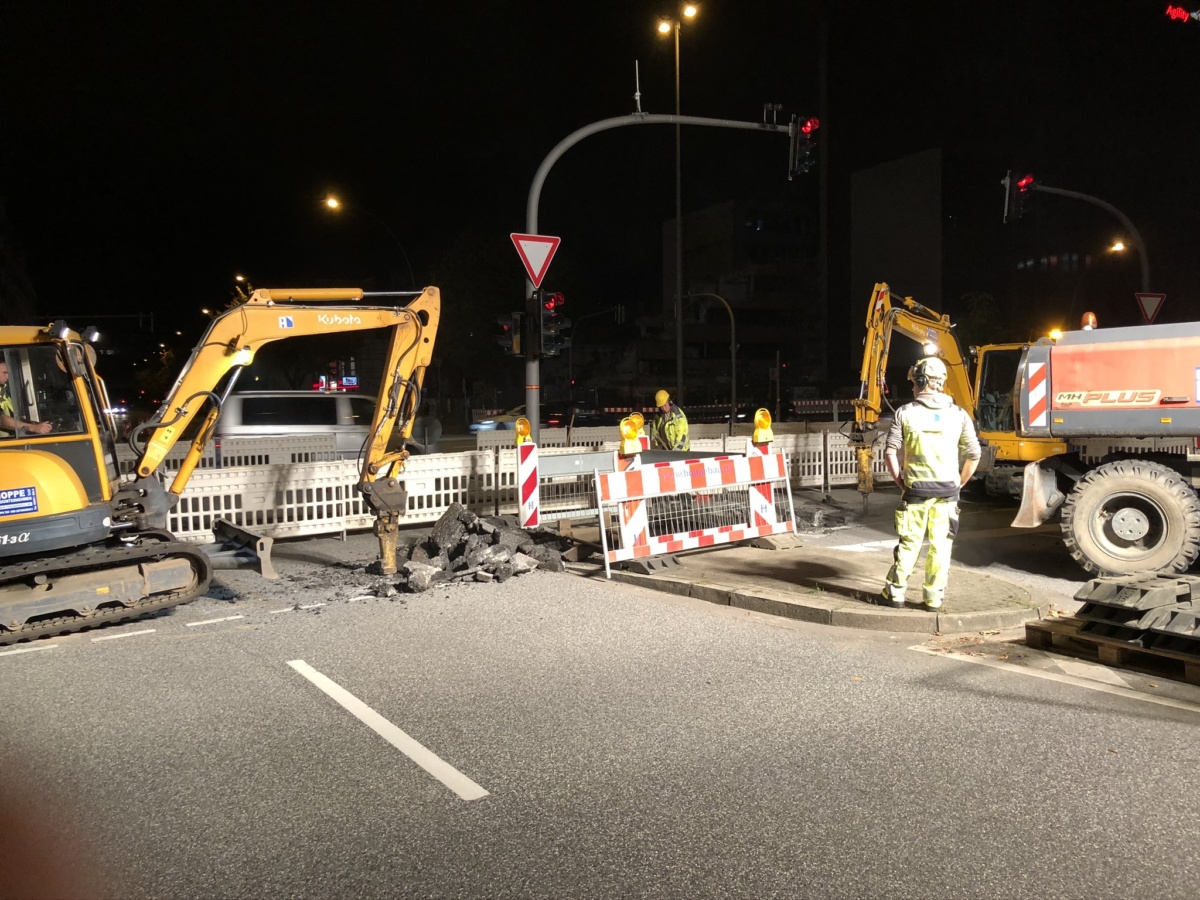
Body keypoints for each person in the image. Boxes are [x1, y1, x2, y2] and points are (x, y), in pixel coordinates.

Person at [878, 356, 980, 611]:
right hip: (947, 492)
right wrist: (959, 482)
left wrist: (900, 481)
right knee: (941, 547)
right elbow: (974, 454)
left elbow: (890, 452)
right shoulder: (959, 415)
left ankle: (896, 594)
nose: (913, 386)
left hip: (914, 491)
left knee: (909, 543)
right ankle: (933, 598)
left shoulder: (905, 413)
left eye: (915, 381)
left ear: (921, 382)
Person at [0, 360, 52, 436]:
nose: (8, 376)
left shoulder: (3, 391)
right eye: (5, 373)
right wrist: (33, 427)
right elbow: (2, 420)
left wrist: (35, 424)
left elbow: (13, 418)